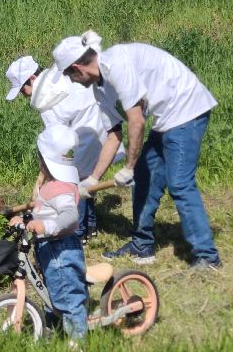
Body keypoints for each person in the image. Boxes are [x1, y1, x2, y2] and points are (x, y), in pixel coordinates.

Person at [53, 32, 222, 272]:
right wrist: (92, 180)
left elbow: (137, 121)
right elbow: (114, 135)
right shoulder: (99, 90)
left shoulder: (116, 64)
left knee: (180, 184)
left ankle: (207, 256)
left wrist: (128, 167)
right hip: (167, 117)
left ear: (77, 68)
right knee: (145, 178)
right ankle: (142, 245)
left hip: (187, 107)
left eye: (69, 75)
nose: (72, 81)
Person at [5, 54, 122, 243]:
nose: (23, 95)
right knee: (85, 180)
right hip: (97, 126)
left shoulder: (44, 98)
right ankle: (90, 226)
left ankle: (77, 233)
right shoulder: (56, 76)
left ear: (32, 79)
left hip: (85, 133)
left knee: (71, 182)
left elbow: (55, 145)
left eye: (22, 89)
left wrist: (41, 180)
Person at [9, 123, 88, 348]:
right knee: (51, 292)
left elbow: (70, 217)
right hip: (48, 249)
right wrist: (25, 220)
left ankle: (77, 344)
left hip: (61, 250)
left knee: (68, 296)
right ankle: (54, 330)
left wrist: (46, 226)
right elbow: (42, 212)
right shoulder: (52, 184)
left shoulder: (62, 188)